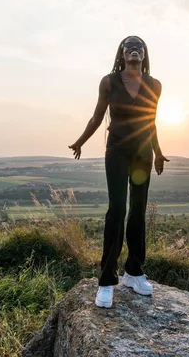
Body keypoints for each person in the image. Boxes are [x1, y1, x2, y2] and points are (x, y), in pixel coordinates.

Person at [68, 35, 169, 308]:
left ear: (144, 55)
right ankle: (106, 280)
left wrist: (158, 152)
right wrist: (80, 141)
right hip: (117, 151)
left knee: (138, 210)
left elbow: (151, 121)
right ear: (121, 54)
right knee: (116, 211)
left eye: (140, 47)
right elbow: (97, 117)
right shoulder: (109, 82)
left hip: (142, 153)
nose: (134, 50)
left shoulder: (154, 85)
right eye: (129, 46)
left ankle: (134, 272)